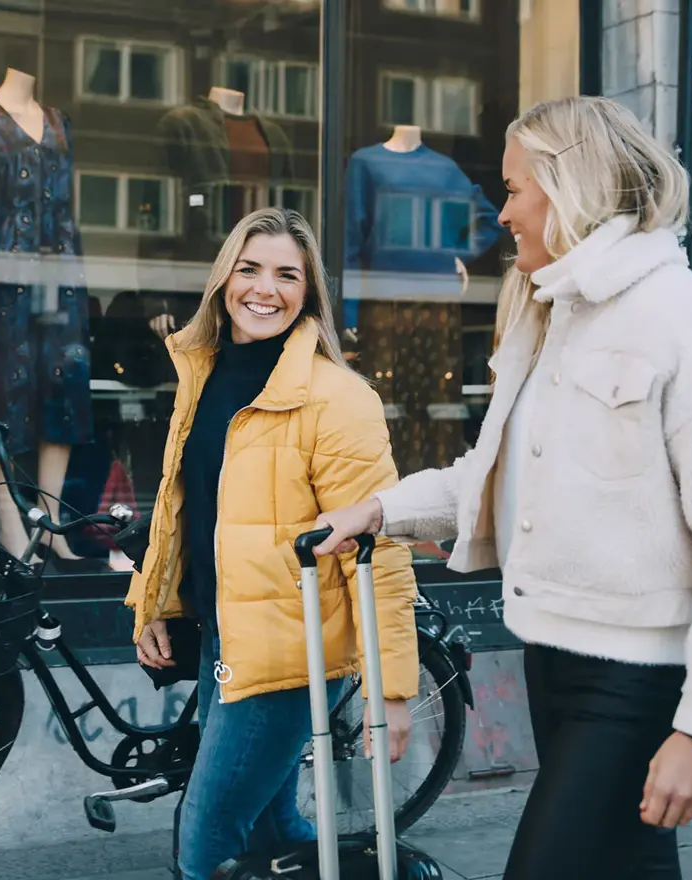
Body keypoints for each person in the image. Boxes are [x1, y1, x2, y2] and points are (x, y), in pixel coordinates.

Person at [312, 95, 692, 880]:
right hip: (550, 657)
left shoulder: (679, 317)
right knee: (626, 867)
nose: (501, 213)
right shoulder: (547, 317)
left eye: (515, 189)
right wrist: (380, 509)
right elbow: (490, 476)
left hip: (636, 679)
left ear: (570, 189)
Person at [125, 207, 419, 880]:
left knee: (203, 844)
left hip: (293, 652)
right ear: (223, 278)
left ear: (308, 294)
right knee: (270, 829)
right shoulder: (202, 375)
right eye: (250, 268)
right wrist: (154, 604)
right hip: (226, 637)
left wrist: (390, 690)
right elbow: (182, 512)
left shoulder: (336, 398)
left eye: (288, 275)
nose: (266, 288)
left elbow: (382, 549)